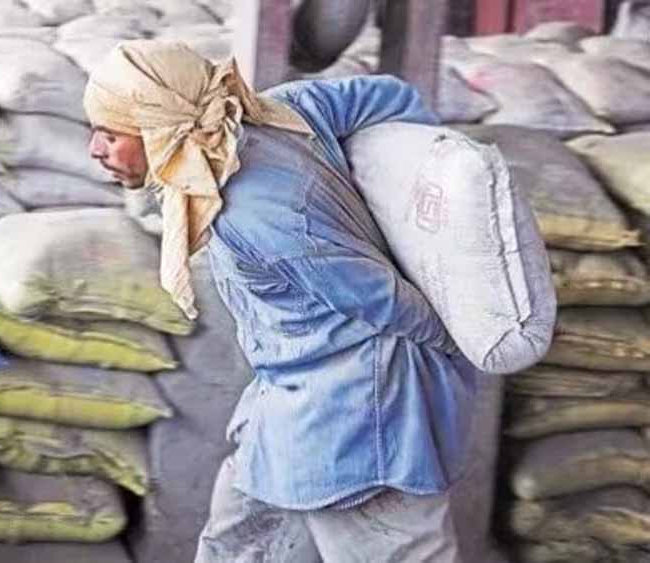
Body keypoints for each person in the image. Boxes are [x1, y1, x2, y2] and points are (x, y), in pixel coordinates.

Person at [85, 40, 476, 563]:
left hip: (356, 415)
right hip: (291, 403)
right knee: (240, 546)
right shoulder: (281, 113)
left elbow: (380, 299)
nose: (95, 149)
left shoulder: (251, 212)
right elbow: (390, 96)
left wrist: (454, 335)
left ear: (163, 130)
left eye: (111, 135)